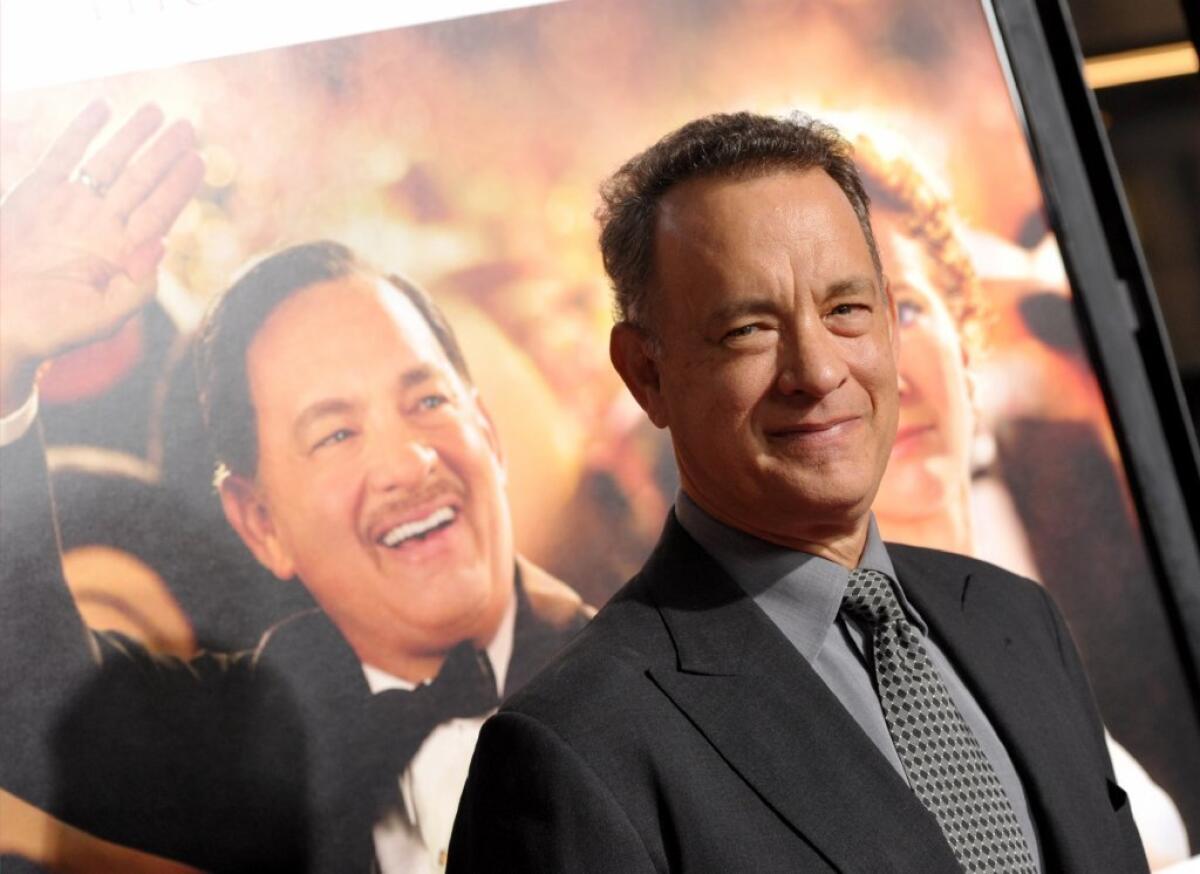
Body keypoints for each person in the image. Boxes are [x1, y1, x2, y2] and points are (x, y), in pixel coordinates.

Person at [448, 112, 1148, 872]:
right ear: (645, 374)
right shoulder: (575, 747)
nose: (816, 371)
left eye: (846, 309)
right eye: (749, 328)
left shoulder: (1018, 623)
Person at [0, 104, 589, 873]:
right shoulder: (270, 730)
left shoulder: (657, 691)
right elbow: (30, 693)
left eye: (428, 402)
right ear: (260, 523)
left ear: (490, 433)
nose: (408, 463)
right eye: (336, 433)